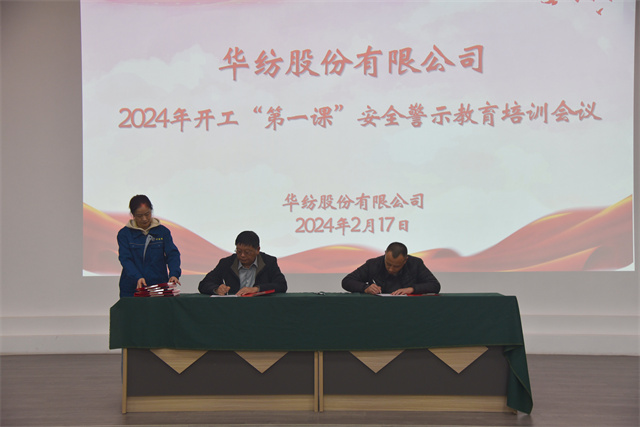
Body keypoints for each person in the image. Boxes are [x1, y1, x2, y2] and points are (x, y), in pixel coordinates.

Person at [117, 195, 181, 298]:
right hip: (132, 287)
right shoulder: (125, 234)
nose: (144, 219)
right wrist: (137, 277)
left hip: (158, 286)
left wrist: (174, 274)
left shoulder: (162, 232)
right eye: (139, 216)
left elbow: (172, 254)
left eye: (147, 214)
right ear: (133, 215)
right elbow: (125, 259)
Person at [199, 230, 287, 296]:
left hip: (261, 307)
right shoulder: (227, 263)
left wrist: (256, 289)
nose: (242, 255)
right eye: (239, 251)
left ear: (257, 250)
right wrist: (216, 289)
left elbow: (281, 285)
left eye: (247, 252)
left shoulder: (268, 262)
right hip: (233, 307)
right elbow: (204, 284)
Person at [342, 242, 440, 295]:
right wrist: (366, 288)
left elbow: (435, 286)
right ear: (385, 254)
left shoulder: (415, 264)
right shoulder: (373, 264)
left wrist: (412, 289)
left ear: (405, 260)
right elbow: (347, 281)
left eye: (396, 266)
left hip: (409, 309)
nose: (391, 269)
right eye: (388, 264)